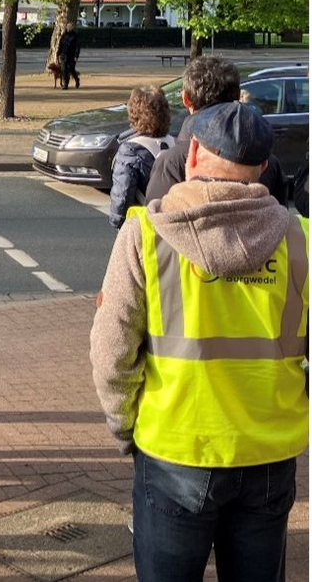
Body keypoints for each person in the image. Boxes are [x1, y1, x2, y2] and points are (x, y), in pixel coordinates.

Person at [90, 101, 308, 581]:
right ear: (264, 169)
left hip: (174, 450)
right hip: (269, 452)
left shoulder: (144, 233)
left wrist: (126, 428)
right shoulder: (300, 242)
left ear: (191, 157)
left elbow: (111, 353)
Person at [144, 56, 285, 204]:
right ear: (237, 96)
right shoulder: (265, 160)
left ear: (185, 98)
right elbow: (279, 216)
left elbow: (154, 220)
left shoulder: (171, 162)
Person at [107, 86, 174, 229]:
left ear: (134, 114)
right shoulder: (176, 144)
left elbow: (122, 197)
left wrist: (117, 223)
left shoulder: (130, 151)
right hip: (174, 224)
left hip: (145, 227)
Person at [58, 22, 81, 89]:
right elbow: (60, 45)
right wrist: (58, 54)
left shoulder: (75, 36)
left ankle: (77, 79)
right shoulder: (63, 35)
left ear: (72, 27)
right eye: (68, 26)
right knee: (64, 69)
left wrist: (76, 56)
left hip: (71, 56)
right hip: (63, 55)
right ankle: (65, 84)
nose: (69, 28)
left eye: (70, 26)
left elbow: (77, 47)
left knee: (71, 70)